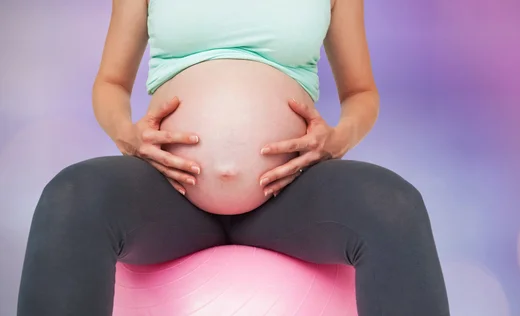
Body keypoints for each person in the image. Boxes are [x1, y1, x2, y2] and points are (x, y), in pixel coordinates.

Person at [16, 0, 450, 315]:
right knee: (72, 195)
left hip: (288, 193)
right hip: (169, 191)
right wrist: (128, 135)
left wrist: (335, 139)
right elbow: (110, 82)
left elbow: (361, 94)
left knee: (395, 204)